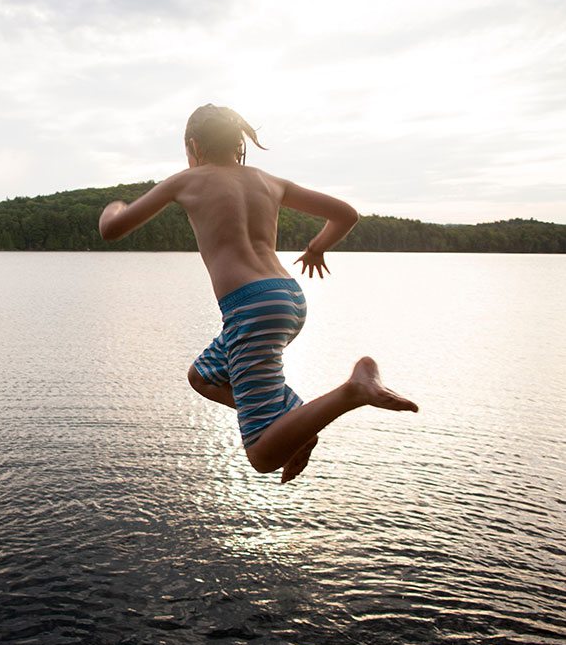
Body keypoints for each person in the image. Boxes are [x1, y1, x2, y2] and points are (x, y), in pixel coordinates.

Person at [98, 103, 418, 483]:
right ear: (237, 144)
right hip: (287, 297)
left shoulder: (186, 181)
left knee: (263, 457)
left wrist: (113, 206)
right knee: (203, 376)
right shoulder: (269, 181)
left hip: (250, 308)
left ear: (194, 145)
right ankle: (295, 423)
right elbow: (346, 213)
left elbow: (112, 230)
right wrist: (317, 248)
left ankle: (353, 390)